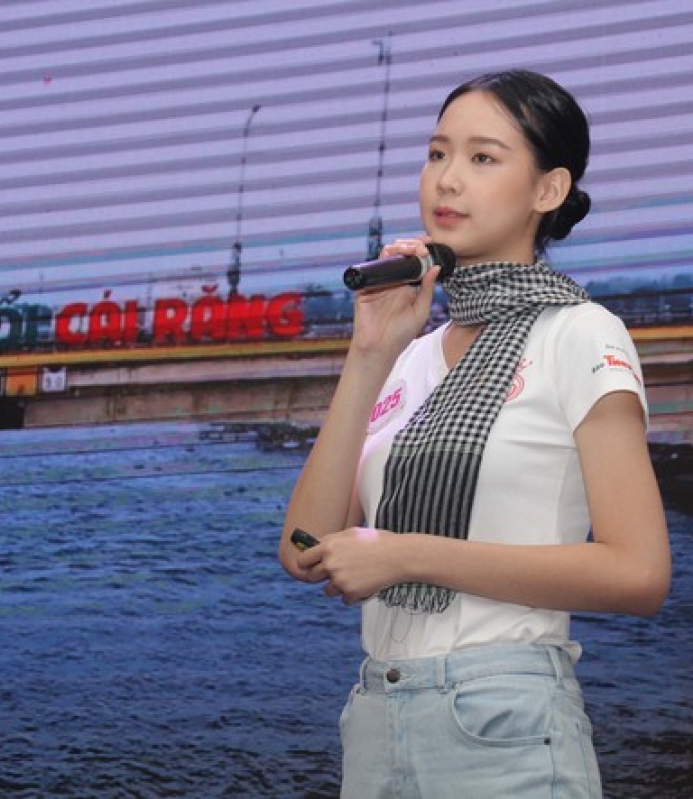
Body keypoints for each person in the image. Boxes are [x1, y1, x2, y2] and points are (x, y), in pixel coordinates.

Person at [278, 69, 671, 798]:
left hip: (505, 723)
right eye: (436, 154)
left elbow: (639, 572)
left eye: (482, 158)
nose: (446, 180)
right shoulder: (411, 353)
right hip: (376, 719)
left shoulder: (580, 333)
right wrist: (369, 353)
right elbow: (304, 546)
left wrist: (404, 554)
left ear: (547, 190)